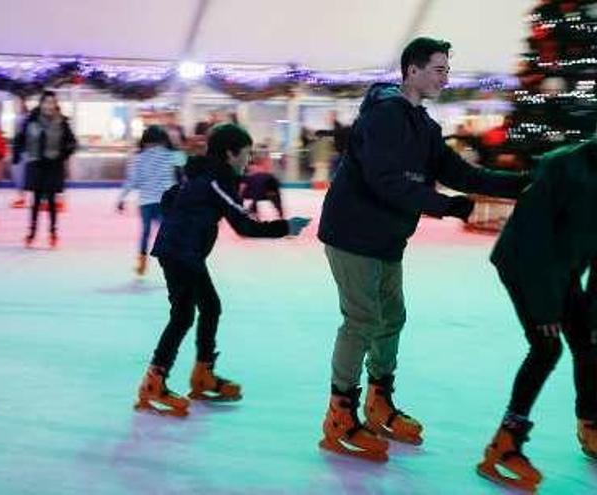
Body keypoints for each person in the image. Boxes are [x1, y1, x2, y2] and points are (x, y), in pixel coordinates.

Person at [316, 37, 531, 462]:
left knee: (391, 317)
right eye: (438, 69)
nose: (445, 77)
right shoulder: (384, 117)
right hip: (353, 233)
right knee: (362, 318)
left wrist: (522, 182)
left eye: (447, 70)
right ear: (411, 71)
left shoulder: (423, 126)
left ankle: (379, 399)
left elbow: (462, 174)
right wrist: (445, 206)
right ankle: (340, 410)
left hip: (388, 237)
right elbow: (386, 180)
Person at [134, 124, 309, 417]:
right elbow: (244, 225)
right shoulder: (216, 180)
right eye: (245, 153)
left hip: (183, 251)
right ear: (230, 154)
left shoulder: (203, 175)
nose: (248, 160)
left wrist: (185, 219)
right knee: (183, 316)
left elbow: (169, 198)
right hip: (182, 253)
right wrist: (285, 227)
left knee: (210, 307)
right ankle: (154, 381)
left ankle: (202, 374)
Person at [476, 138, 597, 492]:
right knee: (546, 348)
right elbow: (534, 239)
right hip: (524, 263)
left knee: (589, 340)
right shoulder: (562, 167)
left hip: (567, 266)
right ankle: (505, 442)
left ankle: (591, 423)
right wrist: (545, 307)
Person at [116, 126, 185, 275]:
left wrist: (121, 198)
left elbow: (132, 180)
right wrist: (175, 145)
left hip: (146, 202)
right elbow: (184, 163)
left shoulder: (138, 158)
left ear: (145, 140)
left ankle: (142, 263)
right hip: (165, 201)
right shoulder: (170, 155)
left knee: (145, 233)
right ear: (163, 140)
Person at [13, 91, 77, 248]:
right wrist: (17, 154)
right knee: (35, 201)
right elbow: (20, 138)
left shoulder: (62, 122)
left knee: (51, 200)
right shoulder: (31, 120)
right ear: (41, 104)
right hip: (36, 164)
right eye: (46, 102)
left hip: (54, 164)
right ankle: (32, 233)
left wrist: (64, 154)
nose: (49, 105)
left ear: (55, 105)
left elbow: (72, 142)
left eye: (52, 102)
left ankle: (53, 233)